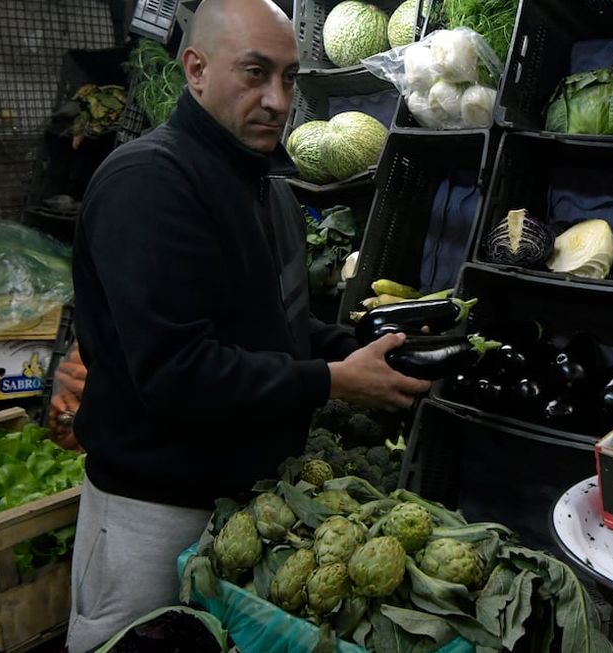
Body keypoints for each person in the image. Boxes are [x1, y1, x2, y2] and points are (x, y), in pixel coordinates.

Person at [66, 0, 431, 650]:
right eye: (255, 73)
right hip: (153, 518)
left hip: (248, 513)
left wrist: (364, 350)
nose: (276, 98)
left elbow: (282, 326)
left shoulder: (270, 192)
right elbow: (176, 373)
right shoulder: (150, 184)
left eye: (289, 78)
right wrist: (332, 380)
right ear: (196, 69)